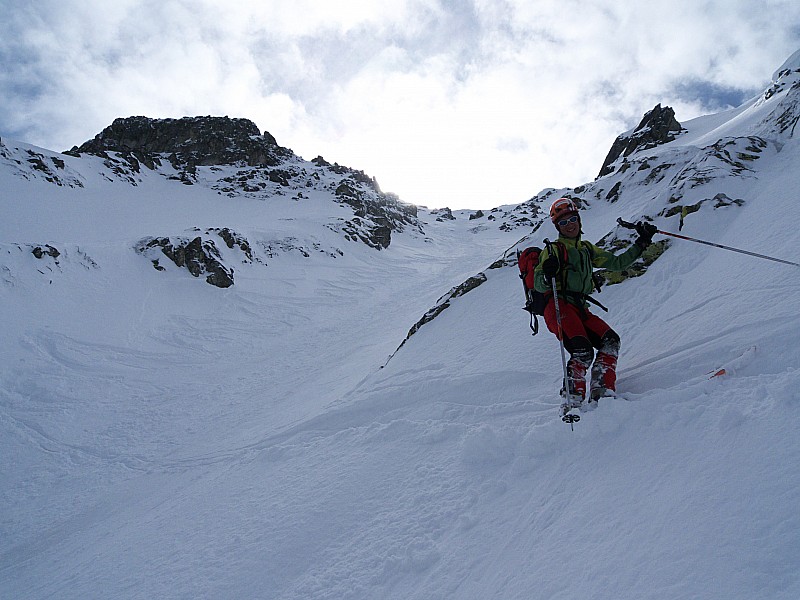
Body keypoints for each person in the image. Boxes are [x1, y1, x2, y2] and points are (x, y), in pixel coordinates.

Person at [533, 197, 657, 409]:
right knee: (582, 351)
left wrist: (641, 243)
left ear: (579, 220)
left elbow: (618, 263)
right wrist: (547, 273)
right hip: (559, 306)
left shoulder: (587, 249)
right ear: (557, 227)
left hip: (580, 308)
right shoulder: (553, 250)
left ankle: (602, 391)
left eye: (572, 219)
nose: (569, 225)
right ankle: (572, 402)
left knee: (610, 342)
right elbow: (538, 283)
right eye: (563, 222)